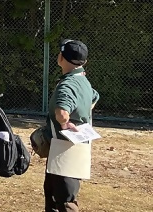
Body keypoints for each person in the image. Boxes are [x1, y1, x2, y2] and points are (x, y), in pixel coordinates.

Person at [44, 39, 99, 212]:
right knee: (56, 194)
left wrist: (65, 123)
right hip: (79, 147)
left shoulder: (67, 84)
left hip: (64, 150)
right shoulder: (83, 80)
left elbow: (62, 111)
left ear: (61, 57)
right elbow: (95, 97)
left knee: (64, 200)